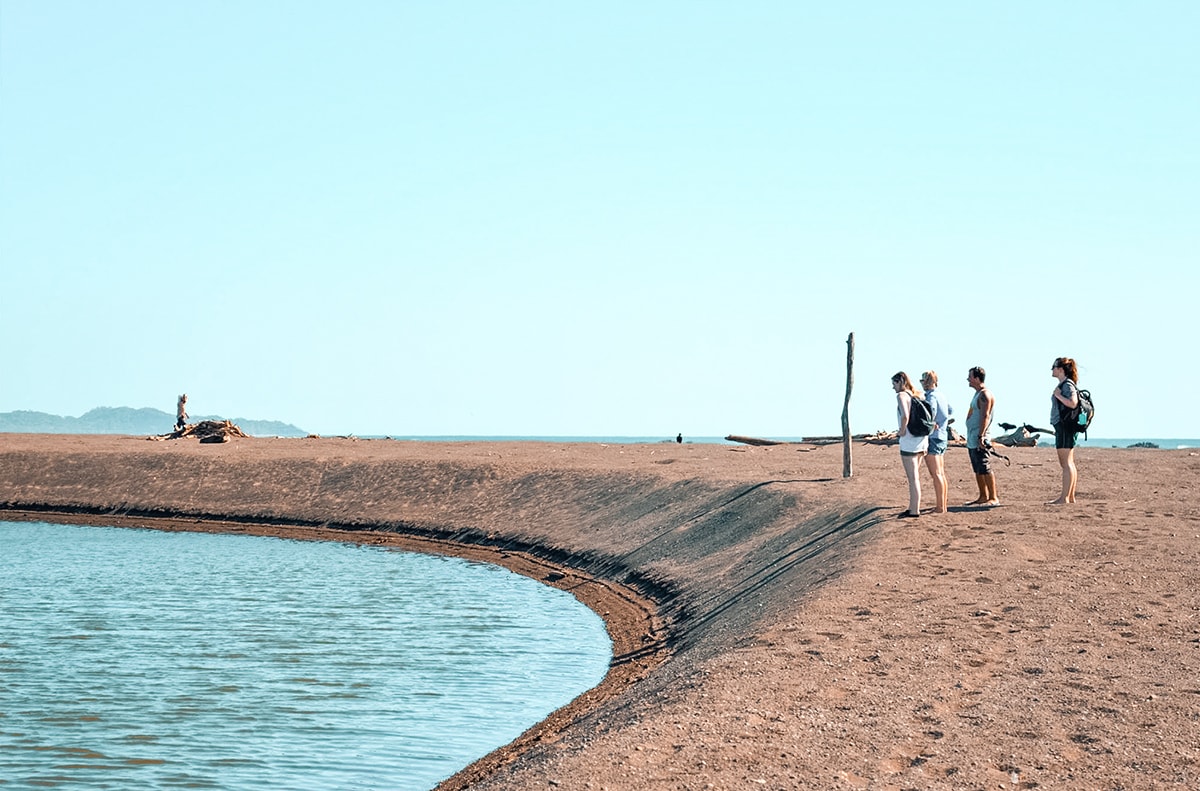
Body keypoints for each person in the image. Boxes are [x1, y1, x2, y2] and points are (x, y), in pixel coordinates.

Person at [891, 372, 928, 518]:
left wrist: (901, 431)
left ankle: (914, 510)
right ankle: (913, 506)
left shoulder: (902, 396)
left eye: (894, 384)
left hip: (909, 441)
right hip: (921, 439)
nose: (893, 388)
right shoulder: (917, 395)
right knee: (915, 476)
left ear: (900, 382)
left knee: (913, 478)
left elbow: (905, 415)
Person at [964, 366, 998, 506]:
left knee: (985, 466)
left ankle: (993, 497)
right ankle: (983, 496)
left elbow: (985, 416)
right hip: (972, 436)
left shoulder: (985, 395)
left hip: (980, 436)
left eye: (970, 377)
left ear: (977, 378)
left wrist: (981, 436)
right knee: (977, 468)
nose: (968, 379)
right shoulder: (977, 394)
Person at [1049, 357, 1081, 504]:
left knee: (1065, 463)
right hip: (1066, 426)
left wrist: (1058, 395)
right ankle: (1070, 496)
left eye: (1054, 367)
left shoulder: (1067, 385)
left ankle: (1064, 498)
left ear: (1061, 369)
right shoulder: (1068, 384)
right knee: (1069, 462)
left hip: (1064, 426)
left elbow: (1073, 403)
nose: (1052, 370)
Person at [920, 371, 952, 513]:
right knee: (941, 473)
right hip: (942, 436)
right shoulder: (941, 395)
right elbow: (950, 410)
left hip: (933, 436)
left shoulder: (931, 396)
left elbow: (930, 411)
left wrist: (931, 423)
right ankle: (942, 505)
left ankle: (940, 507)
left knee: (936, 474)